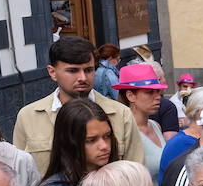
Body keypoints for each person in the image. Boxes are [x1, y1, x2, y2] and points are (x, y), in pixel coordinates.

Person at [13, 37, 142, 174]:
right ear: (52, 72)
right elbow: (20, 176)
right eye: (73, 71)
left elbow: (137, 174)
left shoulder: (121, 114)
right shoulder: (28, 117)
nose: (83, 78)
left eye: (88, 70)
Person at [114, 63, 169, 186]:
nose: (158, 97)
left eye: (158, 91)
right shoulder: (122, 132)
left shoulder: (155, 126)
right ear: (130, 95)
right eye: (150, 92)